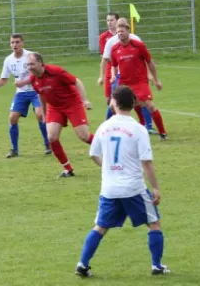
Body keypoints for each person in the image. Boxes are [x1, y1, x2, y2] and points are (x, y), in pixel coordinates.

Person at [75, 85, 169, 277]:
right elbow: (147, 162)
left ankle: (82, 264)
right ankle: (157, 265)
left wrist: (107, 168)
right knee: (154, 223)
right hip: (134, 188)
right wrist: (156, 188)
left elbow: (93, 154)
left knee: (100, 227)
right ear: (133, 103)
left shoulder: (104, 126)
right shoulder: (138, 129)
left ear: (114, 103)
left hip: (109, 189)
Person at [0, 34, 51, 158]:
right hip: (21, 93)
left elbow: (39, 73)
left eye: (17, 42)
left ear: (22, 43)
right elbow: (3, 79)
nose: (15, 45)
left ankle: (48, 145)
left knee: (40, 114)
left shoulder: (30, 56)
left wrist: (24, 82)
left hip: (35, 90)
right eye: (12, 42)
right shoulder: (8, 60)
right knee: (12, 117)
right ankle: (14, 150)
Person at [26, 53, 94, 178]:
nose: (29, 67)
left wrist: (85, 100)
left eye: (32, 64)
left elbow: (76, 81)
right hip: (55, 107)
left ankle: (109, 146)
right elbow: (41, 94)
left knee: (84, 136)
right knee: (51, 137)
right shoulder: (32, 79)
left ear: (41, 63)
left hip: (72, 103)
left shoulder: (55, 72)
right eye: (28, 64)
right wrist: (44, 113)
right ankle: (68, 169)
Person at [110, 18, 167, 140]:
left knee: (149, 105)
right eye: (118, 31)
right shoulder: (115, 49)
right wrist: (113, 75)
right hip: (125, 83)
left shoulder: (138, 46)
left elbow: (150, 62)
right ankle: (124, 131)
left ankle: (162, 133)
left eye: (122, 31)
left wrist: (156, 80)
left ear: (128, 31)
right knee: (114, 106)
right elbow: (114, 65)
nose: (120, 33)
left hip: (140, 81)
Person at [101, 18, 156, 133]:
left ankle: (147, 126)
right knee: (114, 103)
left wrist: (150, 75)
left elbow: (146, 60)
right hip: (121, 78)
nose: (110, 22)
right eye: (108, 20)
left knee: (142, 102)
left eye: (112, 20)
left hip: (137, 78)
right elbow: (109, 61)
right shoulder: (111, 42)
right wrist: (110, 76)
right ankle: (107, 126)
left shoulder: (136, 40)